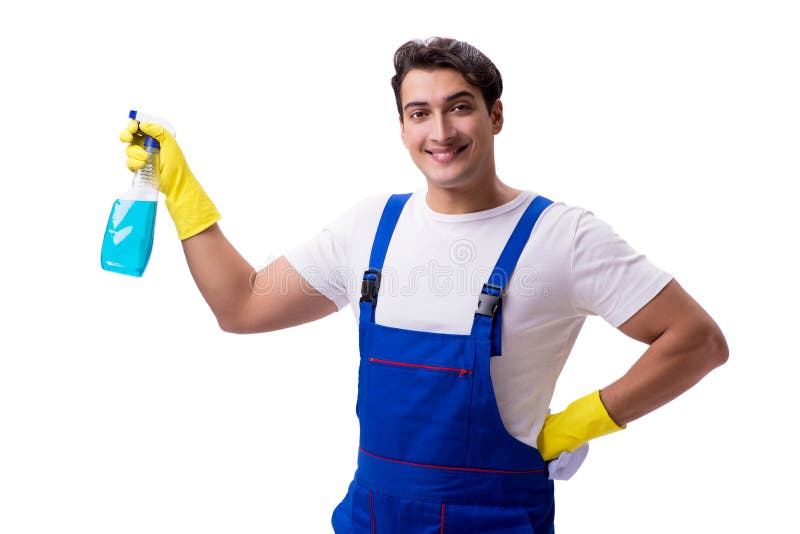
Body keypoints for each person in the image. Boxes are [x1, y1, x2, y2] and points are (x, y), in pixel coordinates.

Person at [120, 37, 728, 533]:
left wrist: (578, 423)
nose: (441, 130)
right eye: (420, 113)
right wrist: (179, 191)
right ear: (403, 126)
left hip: (494, 519)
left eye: (460, 106)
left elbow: (697, 340)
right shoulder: (370, 229)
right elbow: (242, 305)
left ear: (494, 115)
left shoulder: (561, 236)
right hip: (372, 516)